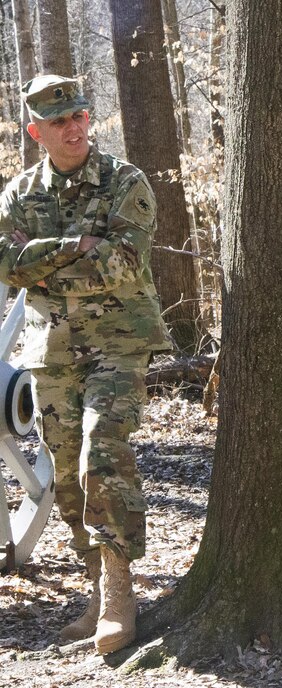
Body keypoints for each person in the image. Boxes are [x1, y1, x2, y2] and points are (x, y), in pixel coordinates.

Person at [0, 75, 170, 654]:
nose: (73, 129)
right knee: (65, 466)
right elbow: (5, 264)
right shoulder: (21, 193)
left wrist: (40, 259)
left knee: (102, 450)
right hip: (52, 348)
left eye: (79, 117)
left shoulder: (125, 181)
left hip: (119, 341)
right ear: (36, 132)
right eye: (58, 122)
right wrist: (78, 245)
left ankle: (121, 590)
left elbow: (123, 263)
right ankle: (95, 586)